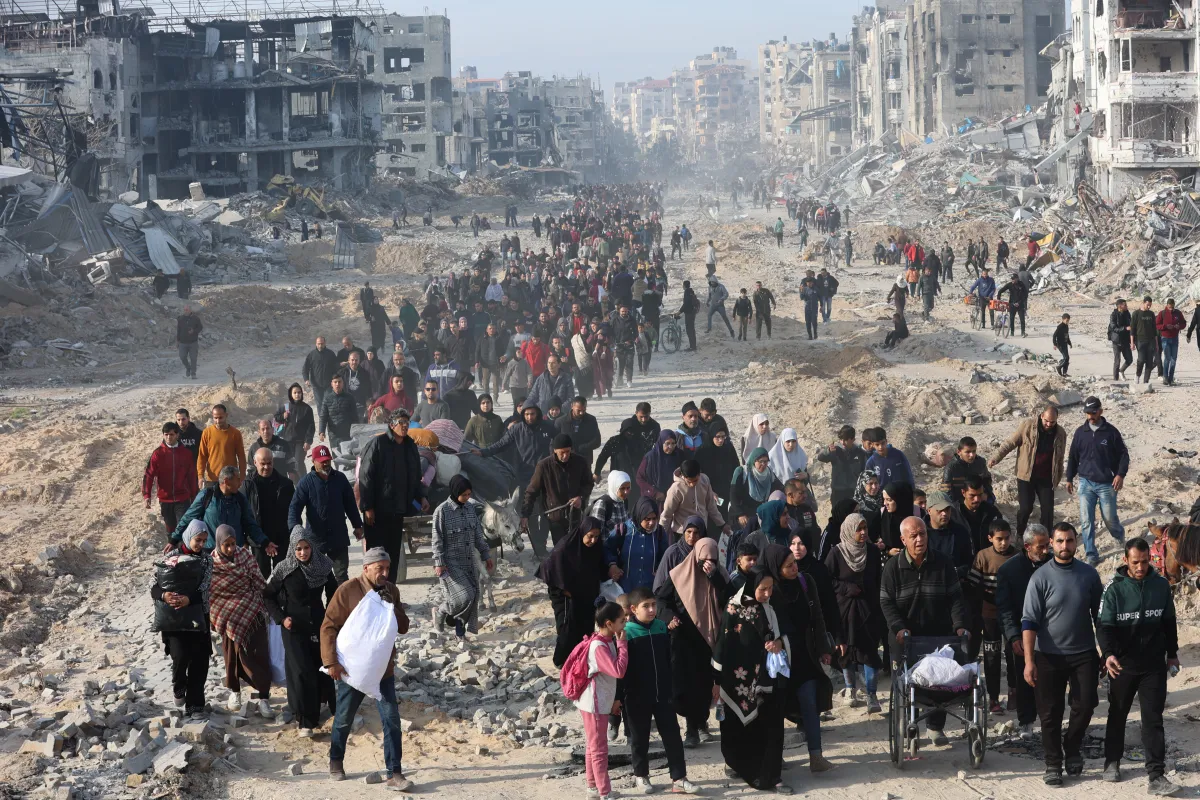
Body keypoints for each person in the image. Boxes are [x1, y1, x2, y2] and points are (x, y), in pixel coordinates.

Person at [321, 548, 413, 790]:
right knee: (343, 718)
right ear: (366, 569)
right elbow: (328, 626)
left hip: (383, 671)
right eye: (379, 568)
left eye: (387, 568)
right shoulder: (348, 590)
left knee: (391, 719)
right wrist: (331, 662)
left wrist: (392, 606)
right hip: (351, 671)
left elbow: (403, 627)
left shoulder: (391, 590)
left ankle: (395, 773)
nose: (384, 573)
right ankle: (336, 760)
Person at [1021, 522, 1102, 786]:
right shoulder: (1040, 578)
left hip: (1084, 653)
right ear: (1051, 544)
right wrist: (1029, 661)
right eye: (1059, 541)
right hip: (1048, 655)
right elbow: (1029, 622)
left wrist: (1106, 651)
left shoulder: (1089, 575)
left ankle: (1073, 745)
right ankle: (1053, 763)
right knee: (1050, 713)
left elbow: (1100, 618)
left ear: (1076, 542)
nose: (1064, 546)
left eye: (1069, 541)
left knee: (1086, 704)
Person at [1097, 537, 1180, 795]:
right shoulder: (1114, 589)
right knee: (1118, 713)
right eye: (1136, 562)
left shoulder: (1161, 586)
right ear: (1126, 560)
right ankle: (1112, 762)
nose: (1141, 567)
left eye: (1145, 561)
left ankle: (1156, 775)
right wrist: (1108, 654)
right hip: (1122, 664)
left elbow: (1169, 622)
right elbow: (1104, 627)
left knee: (1153, 719)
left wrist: (1173, 654)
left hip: (1153, 664)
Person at [880, 517, 969, 743]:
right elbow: (886, 603)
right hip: (905, 636)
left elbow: (956, 598)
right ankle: (909, 725)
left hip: (937, 633)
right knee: (906, 684)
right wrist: (899, 628)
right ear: (903, 540)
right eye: (914, 536)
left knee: (938, 682)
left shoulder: (943, 562)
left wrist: (959, 626)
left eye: (923, 534)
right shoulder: (892, 567)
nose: (920, 539)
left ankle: (935, 726)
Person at [712, 567, 792, 793]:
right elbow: (723, 642)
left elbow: (786, 633)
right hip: (739, 679)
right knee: (741, 726)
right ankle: (744, 767)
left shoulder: (773, 606)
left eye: (771, 588)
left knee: (773, 726)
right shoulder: (733, 607)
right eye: (763, 589)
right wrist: (716, 679)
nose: (767, 593)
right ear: (752, 587)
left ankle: (772, 775)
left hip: (768, 676)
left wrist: (779, 643)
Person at [763, 542, 835, 770]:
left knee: (810, 705)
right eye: (788, 566)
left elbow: (818, 617)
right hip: (780, 660)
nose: (795, 568)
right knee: (776, 709)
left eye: (794, 563)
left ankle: (816, 756)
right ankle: (776, 758)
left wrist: (824, 648)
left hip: (805, 654)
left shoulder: (806, 582)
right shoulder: (768, 590)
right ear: (776, 568)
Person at [621, 587, 699, 794]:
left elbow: (668, 660)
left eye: (654, 605)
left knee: (673, 736)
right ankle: (641, 776)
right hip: (636, 697)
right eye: (645, 606)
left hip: (663, 695)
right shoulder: (626, 633)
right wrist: (619, 699)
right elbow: (620, 670)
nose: (651, 609)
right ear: (633, 609)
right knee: (640, 738)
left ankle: (679, 778)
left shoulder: (661, 628)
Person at [654, 528, 727, 748]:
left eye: (711, 560)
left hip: (709, 640)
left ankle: (700, 723)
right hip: (683, 638)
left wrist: (715, 577)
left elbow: (730, 599)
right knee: (684, 684)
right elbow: (661, 601)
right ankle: (691, 728)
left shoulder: (720, 575)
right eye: (703, 560)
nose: (707, 564)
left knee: (704, 684)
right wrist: (669, 617)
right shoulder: (678, 575)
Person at [263, 526, 337, 738]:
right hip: (293, 627)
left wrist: (331, 616)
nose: (303, 553)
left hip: (318, 624)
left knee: (321, 666)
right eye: (298, 549)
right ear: (292, 550)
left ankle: (324, 706)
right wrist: (281, 618)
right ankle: (305, 720)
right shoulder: (284, 569)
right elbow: (268, 596)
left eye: (306, 548)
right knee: (301, 670)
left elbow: (334, 592)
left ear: (312, 547)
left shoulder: (323, 566)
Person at [358, 410, 429, 583]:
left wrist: (422, 496)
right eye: (401, 422)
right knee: (376, 557)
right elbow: (365, 477)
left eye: (407, 422)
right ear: (391, 425)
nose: (405, 425)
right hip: (377, 512)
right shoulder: (378, 444)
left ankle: (390, 596)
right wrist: (367, 507)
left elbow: (415, 475)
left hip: (397, 510)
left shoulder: (410, 446)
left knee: (392, 557)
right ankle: (375, 596)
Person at [208, 525, 273, 715]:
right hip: (226, 614)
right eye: (225, 545)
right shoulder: (211, 563)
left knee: (259, 652)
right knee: (232, 655)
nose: (230, 549)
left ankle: (264, 696)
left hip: (251, 609)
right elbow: (210, 594)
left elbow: (259, 582)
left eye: (233, 544)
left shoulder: (245, 556)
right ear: (219, 543)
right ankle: (235, 691)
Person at [152, 520, 212, 716]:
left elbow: (205, 588)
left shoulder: (206, 560)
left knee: (200, 660)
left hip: (197, 615)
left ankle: (195, 705)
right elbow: (154, 586)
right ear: (188, 537)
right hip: (174, 619)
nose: (201, 545)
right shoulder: (171, 557)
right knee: (180, 656)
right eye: (198, 540)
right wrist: (165, 596)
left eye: (204, 540)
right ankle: (179, 686)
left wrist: (189, 599)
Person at [824, 513, 883, 711]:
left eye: (865, 528)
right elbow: (827, 580)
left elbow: (878, 580)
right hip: (845, 610)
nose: (863, 533)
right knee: (846, 651)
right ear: (849, 530)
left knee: (869, 651)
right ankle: (850, 689)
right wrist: (846, 588)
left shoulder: (873, 552)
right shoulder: (837, 553)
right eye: (859, 529)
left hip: (868, 610)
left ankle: (872, 694)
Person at [995, 523, 1050, 737]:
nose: (1045, 551)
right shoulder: (1009, 570)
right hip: (1021, 633)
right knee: (1024, 676)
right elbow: (1004, 608)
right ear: (1027, 546)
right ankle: (1026, 720)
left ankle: (1048, 721)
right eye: (1040, 547)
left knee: (1048, 681)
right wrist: (1013, 636)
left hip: (1049, 633)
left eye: (1047, 546)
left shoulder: (1054, 564)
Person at [538, 516, 614, 666]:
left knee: (585, 626)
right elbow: (550, 569)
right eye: (590, 536)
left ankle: (580, 659)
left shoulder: (596, 548)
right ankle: (561, 661)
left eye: (597, 537)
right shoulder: (565, 547)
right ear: (582, 533)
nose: (593, 540)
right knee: (567, 627)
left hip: (586, 594)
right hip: (565, 596)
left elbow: (599, 568)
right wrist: (563, 589)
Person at [575, 602, 629, 800]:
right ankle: (604, 791)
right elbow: (618, 671)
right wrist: (622, 644)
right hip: (594, 704)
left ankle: (592, 787)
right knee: (599, 748)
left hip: (595, 702)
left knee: (592, 745)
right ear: (609, 623)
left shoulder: (604, 640)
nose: (625, 624)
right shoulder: (599, 646)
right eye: (622, 621)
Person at [1066, 396, 1128, 566]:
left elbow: (1124, 455)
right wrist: (1069, 478)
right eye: (1087, 413)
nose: (1090, 416)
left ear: (1100, 411)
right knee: (1086, 520)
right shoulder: (1080, 433)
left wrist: (1120, 474)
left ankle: (1118, 535)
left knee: (1109, 518)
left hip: (1107, 483)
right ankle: (1091, 553)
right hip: (1085, 482)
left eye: (1093, 412)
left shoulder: (1111, 432)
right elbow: (1073, 456)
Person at [288, 445, 362, 585]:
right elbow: (295, 507)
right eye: (322, 461)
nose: (325, 463)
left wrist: (357, 525)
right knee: (317, 577)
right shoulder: (306, 482)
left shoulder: (340, 479)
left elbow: (350, 504)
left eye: (327, 460)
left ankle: (342, 606)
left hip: (338, 537)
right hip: (316, 540)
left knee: (341, 576)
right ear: (314, 461)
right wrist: (295, 530)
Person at [988, 406, 1065, 537]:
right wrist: (996, 457)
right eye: (1046, 421)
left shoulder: (1060, 433)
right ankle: (1020, 533)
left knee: (1047, 510)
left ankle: (1044, 538)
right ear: (1041, 416)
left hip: (1046, 478)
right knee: (1025, 508)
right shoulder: (1027, 426)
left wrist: (1056, 479)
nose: (1049, 424)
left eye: (1052, 422)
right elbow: (1010, 442)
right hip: (1026, 476)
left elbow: (1060, 458)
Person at [432, 476, 493, 638]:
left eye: (469, 494)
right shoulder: (442, 511)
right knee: (465, 596)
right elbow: (436, 539)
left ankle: (460, 633)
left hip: (469, 562)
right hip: (450, 563)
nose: (467, 498)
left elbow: (478, 536)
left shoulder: (470, 509)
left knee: (472, 597)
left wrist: (486, 555)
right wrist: (439, 562)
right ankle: (441, 610)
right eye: (464, 495)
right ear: (455, 492)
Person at [967, 520, 1017, 714]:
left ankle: (1014, 693)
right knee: (992, 656)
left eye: (1006, 538)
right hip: (989, 616)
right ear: (990, 539)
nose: (1003, 543)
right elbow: (972, 585)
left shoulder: (1017, 556)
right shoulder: (983, 556)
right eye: (999, 539)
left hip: (1012, 616)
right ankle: (993, 698)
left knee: (1013, 655)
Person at [173, 466, 272, 555]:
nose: (240, 483)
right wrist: (173, 539)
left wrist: (265, 542)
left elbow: (250, 524)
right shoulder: (207, 496)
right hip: (211, 552)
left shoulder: (241, 499)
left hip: (234, 551)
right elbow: (189, 517)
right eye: (237, 479)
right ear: (227, 481)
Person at [244, 448, 296, 579]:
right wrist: (244, 539)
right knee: (261, 580)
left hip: (281, 540)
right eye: (263, 463)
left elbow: (294, 513)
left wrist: (295, 536)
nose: (267, 467)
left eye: (269, 463)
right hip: (258, 541)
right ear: (255, 462)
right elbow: (243, 515)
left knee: (283, 578)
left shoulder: (286, 484)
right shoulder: (248, 485)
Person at [144, 422, 198, 537]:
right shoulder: (157, 454)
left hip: (182, 498)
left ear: (177, 435)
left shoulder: (186, 454)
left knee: (183, 528)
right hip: (165, 499)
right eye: (166, 434)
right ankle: (172, 553)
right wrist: (147, 495)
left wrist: (194, 496)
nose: (169, 437)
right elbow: (149, 474)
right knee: (170, 530)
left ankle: (184, 553)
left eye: (172, 434)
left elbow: (192, 476)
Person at [662, 459, 729, 542]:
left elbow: (711, 506)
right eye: (689, 481)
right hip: (683, 532)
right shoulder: (676, 489)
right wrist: (660, 535)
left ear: (699, 474)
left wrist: (722, 524)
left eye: (695, 480)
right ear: (683, 476)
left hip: (701, 530)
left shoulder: (705, 480)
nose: (692, 484)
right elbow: (667, 514)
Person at [729, 448, 783, 527]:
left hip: (759, 515)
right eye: (760, 461)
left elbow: (780, 488)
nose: (763, 464)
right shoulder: (742, 472)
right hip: (742, 515)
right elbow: (733, 495)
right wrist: (740, 514)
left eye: (766, 461)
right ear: (753, 461)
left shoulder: (769, 473)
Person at [816, 425, 866, 508]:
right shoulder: (835, 450)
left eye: (846, 440)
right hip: (838, 492)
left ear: (853, 439)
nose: (842, 442)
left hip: (853, 492)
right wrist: (828, 451)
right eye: (841, 439)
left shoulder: (860, 453)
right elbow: (821, 458)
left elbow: (863, 471)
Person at [196, 405, 245, 489]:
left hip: (230, 478)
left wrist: (242, 477)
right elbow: (202, 456)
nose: (218, 421)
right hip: (212, 479)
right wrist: (200, 476)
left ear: (226, 415)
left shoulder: (235, 433)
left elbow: (241, 457)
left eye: (220, 418)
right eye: (215, 418)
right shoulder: (207, 433)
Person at [278, 384, 315, 481]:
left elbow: (311, 426)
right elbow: (276, 418)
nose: (297, 394)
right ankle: (297, 486)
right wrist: (283, 416)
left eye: (299, 392)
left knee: (298, 462)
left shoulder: (307, 408)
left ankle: (306, 482)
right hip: (288, 441)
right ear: (291, 394)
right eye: (295, 393)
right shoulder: (286, 407)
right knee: (291, 465)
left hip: (301, 441)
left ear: (302, 393)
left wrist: (308, 441)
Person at [635, 430, 682, 506]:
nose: (670, 447)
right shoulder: (650, 457)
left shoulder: (678, 455)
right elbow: (639, 478)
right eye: (667, 444)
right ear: (661, 442)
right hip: (655, 500)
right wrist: (654, 493)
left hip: (674, 498)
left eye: (673, 443)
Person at [942, 436, 993, 502]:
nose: (971, 455)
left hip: (977, 496)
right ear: (959, 452)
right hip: (959, 499)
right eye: (968, 452)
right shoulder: (951, 467)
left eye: (974, 451)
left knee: (990, 501)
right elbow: (945, 490)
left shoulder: (980, 462)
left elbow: (987, 479)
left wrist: (986, 493)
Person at [318, 376, 358, 453]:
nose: (337, 384)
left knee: (348, 456)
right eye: (335, 382)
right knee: (337, 457)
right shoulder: (327, 399)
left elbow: (355, 416)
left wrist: (356, 431)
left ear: (343, 383)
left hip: (347, 433)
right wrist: (321, 431)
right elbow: (323, 416)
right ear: (331, 384)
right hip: (334, 434)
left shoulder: (349, 397)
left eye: (339, 382)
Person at [1155, 297, 1186, 386]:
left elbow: (1184, 323)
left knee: (1174, 359)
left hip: (1175, 338)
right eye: (1169, 307)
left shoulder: (1178, 313)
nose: (1171, 309)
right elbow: (1157, 325)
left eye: (1172, 307)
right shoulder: (1162, 313)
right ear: (1167, 305)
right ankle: (1165, 377)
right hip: (1165, 338)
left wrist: (1178, 326)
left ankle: (1170, 378)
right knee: (1167, 358)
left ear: (1174, 305)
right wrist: (1165, 326)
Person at [1131, 296, 1159, 384]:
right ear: (1143, 303)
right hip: (1140, 340)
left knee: (1149, 362)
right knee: (1141, 360)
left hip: (1151, 341)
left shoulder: (1151, 314)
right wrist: (1132, 343)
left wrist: (1157, 344)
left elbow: (1155, 330)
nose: (1149, 307)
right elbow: (1132, 329)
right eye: (1147, 305)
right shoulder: (1136, 313)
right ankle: (1137, 375)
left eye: (1150, 305)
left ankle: (1146, 381)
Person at [1109, 299, 1134, 381]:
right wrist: (1125, 328)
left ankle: (1121, 371)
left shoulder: (1127, 314)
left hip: (1126, 340)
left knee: (1129, 359)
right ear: (1120, 306)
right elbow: (1114, 328)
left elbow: (1131, 326)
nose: (1127, 306)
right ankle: (1115, 380)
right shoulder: (1113, 315)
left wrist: (1132, 341)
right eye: (1125, 305)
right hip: (1116, 341)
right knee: (1117, 361)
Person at [176, 305, 203, 379]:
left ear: (190, 310)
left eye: (187, 310)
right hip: (182, 343)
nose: (185, 311)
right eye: (184, 310)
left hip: (193, 342)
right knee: (182, 356)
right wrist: (177, 340)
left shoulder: (195, 318)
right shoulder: (180, 319)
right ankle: (188, 368)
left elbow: (200, 327)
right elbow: (178, 330)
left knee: (193, 358)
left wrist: (194, 331)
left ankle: (193, 373)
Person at [679, 280, 700, 351]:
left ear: (684, 285)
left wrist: (680, 311)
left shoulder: (687, 292)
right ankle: (693, 345)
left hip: (689, 313)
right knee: (692, 329)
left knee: (689, 330)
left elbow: (686, 304)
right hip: (692, 313)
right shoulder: (691, 291)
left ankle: (692, 347)